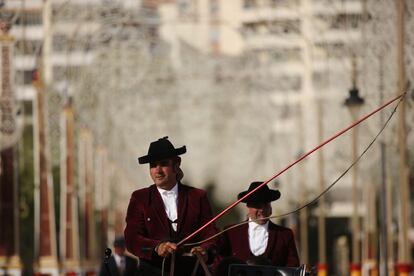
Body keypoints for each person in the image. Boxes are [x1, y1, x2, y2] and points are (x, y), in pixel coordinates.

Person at [124, 137, 218, 275]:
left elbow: (211, 234)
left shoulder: (198, 196)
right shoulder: (140, 198)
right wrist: (157, 247)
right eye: (153, 165)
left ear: (176, 164)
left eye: (163, 164)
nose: (158, 170)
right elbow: (132, 238)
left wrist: (205, 250)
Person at [215, 181, 300, 274]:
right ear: (248, 206)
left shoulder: (284, 235)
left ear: (271, 207)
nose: (262, 210)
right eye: (258, 205)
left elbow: (292, 269)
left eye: (266, 205)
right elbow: (219, 266)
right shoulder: (231, 232)